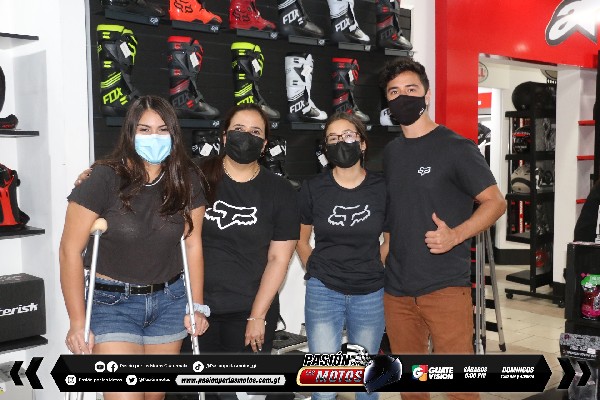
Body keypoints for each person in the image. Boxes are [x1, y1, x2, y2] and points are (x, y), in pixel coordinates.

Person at [60, 95, 209, 400]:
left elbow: (192, 244)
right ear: (130, 133)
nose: (154, 137)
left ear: (174, 134)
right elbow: (69, 251)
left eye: (162, 129)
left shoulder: (186, 180)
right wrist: (77, 322)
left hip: (169, 301)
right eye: (144, 129)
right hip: (111, 304)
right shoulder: (103, 178)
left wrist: (196, 305)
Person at [379, 59, 506, 400]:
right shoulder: (391, 153)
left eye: (411, 89)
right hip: (397, 292)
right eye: (394, 92)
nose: (403, 97)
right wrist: (385, 249)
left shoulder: (455, 147)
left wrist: (456, 235)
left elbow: (495, 202)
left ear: (427, 95)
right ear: (387, 102)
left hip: (445, 288)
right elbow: (395, 210)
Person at [296, 112, 388, 400]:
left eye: (348, 135)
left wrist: (374, 266)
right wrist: (314, 268)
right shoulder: (313, 188)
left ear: (362, 143)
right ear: (326, 147)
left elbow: (391, 240)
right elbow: (300, 238)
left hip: (370, 293)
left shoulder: (382, 187)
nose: (341, 142)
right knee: (324, 387)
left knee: (367, 384)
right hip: (323, 292)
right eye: (333, 138)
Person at [195, 103, 300, 354]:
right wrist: (194, 306)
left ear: (264, 145)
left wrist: (257, 316)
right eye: (239, 129)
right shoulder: (196, 176)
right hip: (197, 309)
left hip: (250, 312)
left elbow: (278, 259)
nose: (246, 136)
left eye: (255, 132)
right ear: (224, 136)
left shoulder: (281, 191)